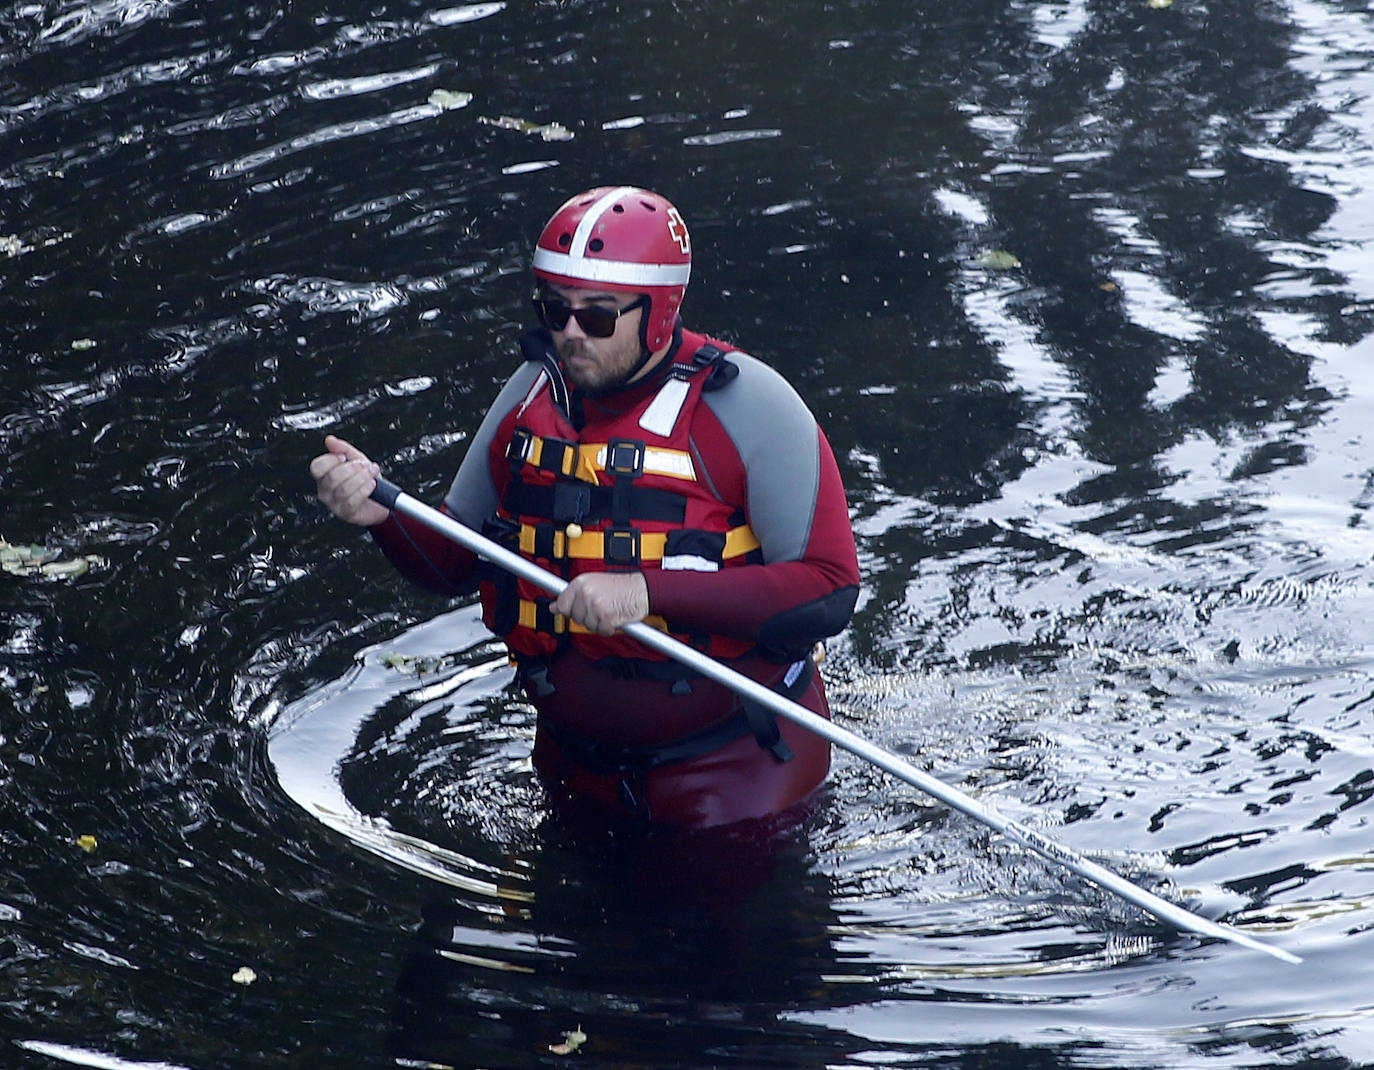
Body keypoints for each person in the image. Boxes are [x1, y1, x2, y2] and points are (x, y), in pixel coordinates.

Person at [310, 185, 859, 830]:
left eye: (597, 317)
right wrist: (384, 515)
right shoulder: (530, 396)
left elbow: (827, 592)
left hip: (734, 778)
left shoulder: (747, 407)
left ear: (657, 312)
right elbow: (454, 566)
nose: (569, 335)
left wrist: (644, 592)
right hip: (571, 771)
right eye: (554, 311)